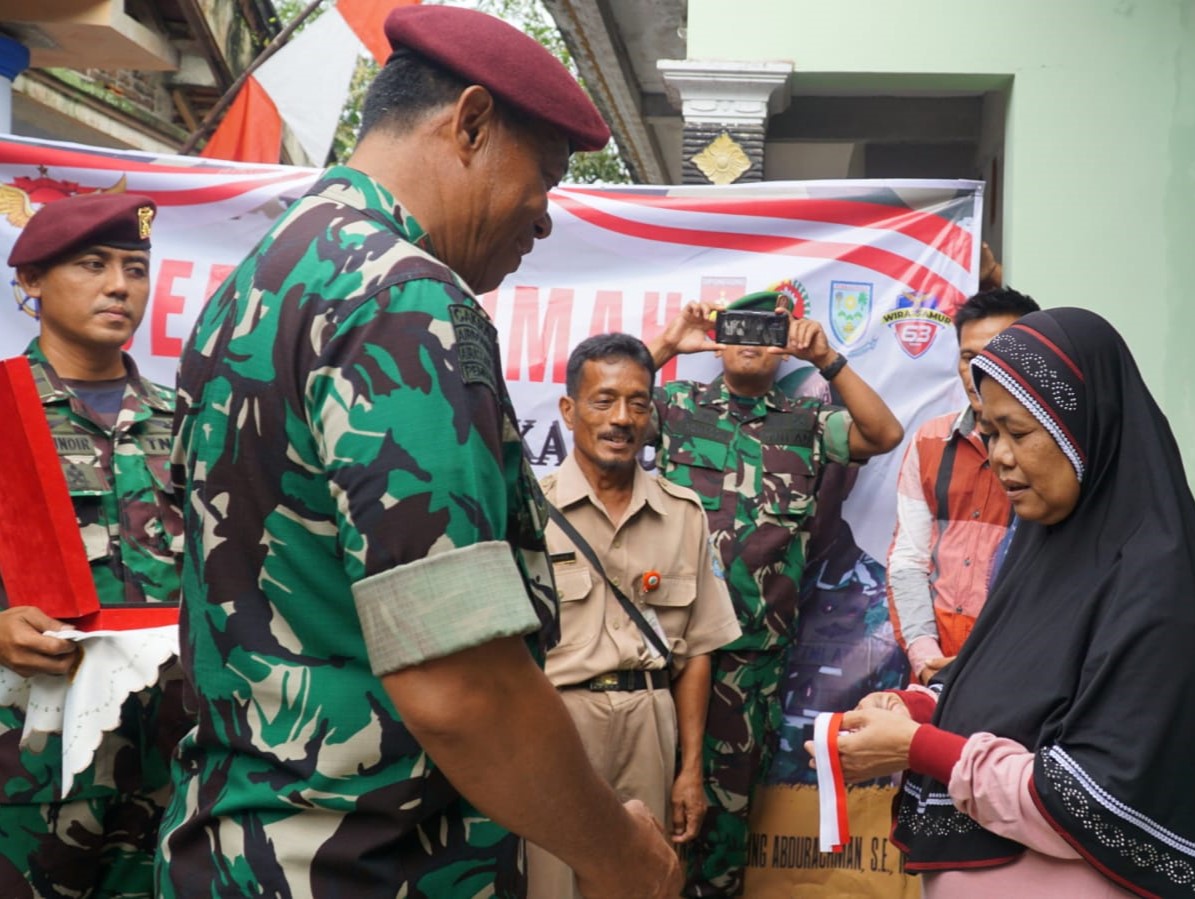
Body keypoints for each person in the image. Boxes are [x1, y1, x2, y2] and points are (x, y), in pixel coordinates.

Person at [155, 6, 683, 899]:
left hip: (238, 846)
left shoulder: (263, 278)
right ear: (470, 123)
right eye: (545, 180)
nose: (544, 220)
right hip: (365, 862)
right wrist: (620, 854)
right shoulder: (407, 301)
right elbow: (460, 684)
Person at [815, 307, 1195, 897]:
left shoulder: (1157, 581)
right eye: (989, 433)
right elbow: (1009, 685)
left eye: (1018, 433)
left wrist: (922, 748)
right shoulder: (1041, 548)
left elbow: (1096, 800)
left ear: (1085, 426)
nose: (997, 456)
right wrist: (918, 707)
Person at [647, 290, 905, 897]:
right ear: (718, 335)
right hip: (666, 649)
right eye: (739, 326)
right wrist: (668, 341)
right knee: (645, 795)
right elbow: (603, 406)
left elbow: (885, 433)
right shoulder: (678, 405)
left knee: (727, 812)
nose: (752, 339)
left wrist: (829, 359)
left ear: (785, 340)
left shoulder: (807, 421)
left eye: (768, 328)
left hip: (751, 657)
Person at [0, 192, 188, 896]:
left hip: (172, 760)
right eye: (93, 263)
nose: (120, 285)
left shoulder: (186, 420)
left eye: (136, 268)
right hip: (29, 761)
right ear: (31, 282)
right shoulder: (1, 407)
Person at [527, 334, 740, 899]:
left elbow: (696, 651)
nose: (622, 418)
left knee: (645, 882)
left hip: (650, 721)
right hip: (556, 726)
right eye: (604, 400)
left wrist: (689, 769)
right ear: (569, 411)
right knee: (552, 886)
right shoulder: (526, 511)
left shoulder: (683, 515)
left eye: (638, 403)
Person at [885, 287, 1040, 683]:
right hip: (934, 664)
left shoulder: (1052, 450)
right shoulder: (930, 440)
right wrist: (925, 657)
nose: (979, 372)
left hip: (1021, 664)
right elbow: (908, 560)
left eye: (997, 356)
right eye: (969, 357)